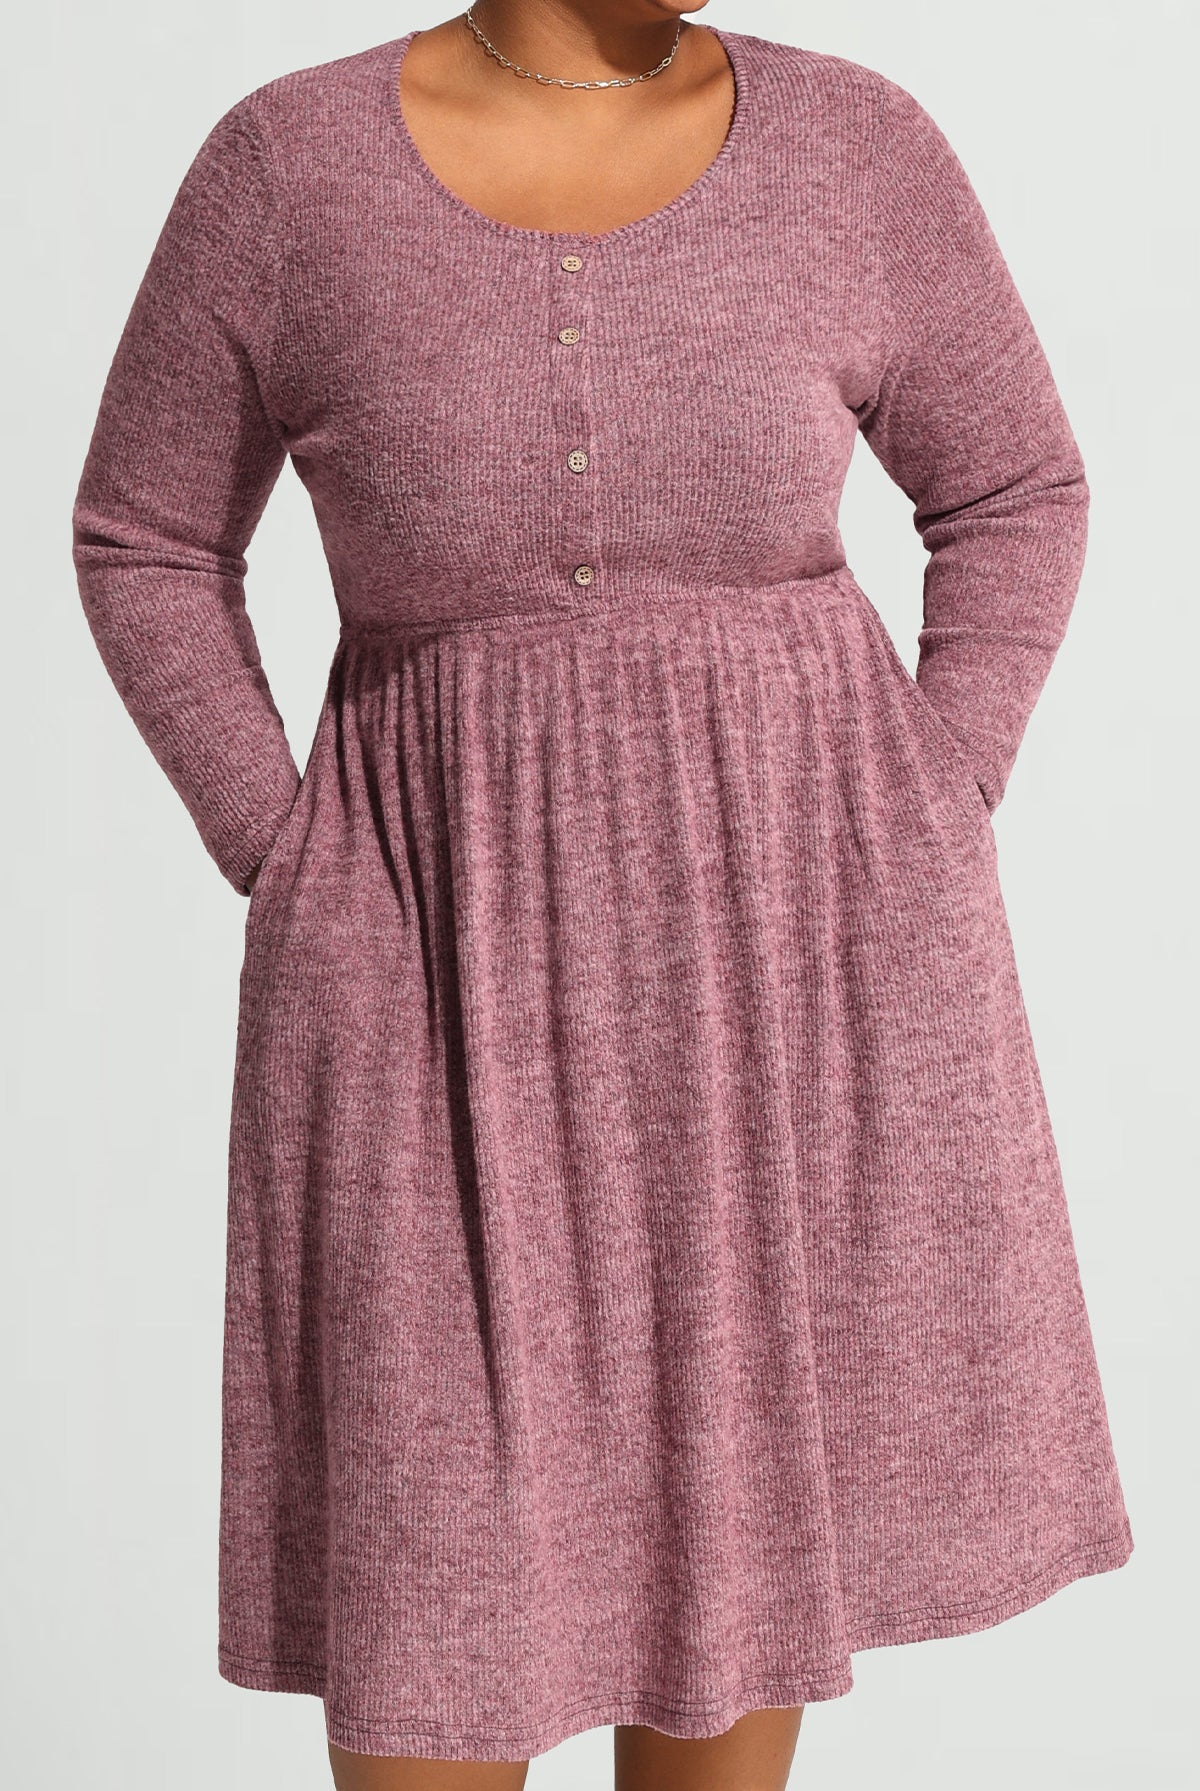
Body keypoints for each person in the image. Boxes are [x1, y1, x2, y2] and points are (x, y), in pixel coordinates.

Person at [71, 5, 1134, 1789]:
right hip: (427, 979)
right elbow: (146, 539)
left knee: (733, 1599)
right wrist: (285, 850)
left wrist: (932, 795)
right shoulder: (286, 169)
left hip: (788, 967)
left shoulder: (853, 145)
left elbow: (1018, 486)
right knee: (432, 1627)